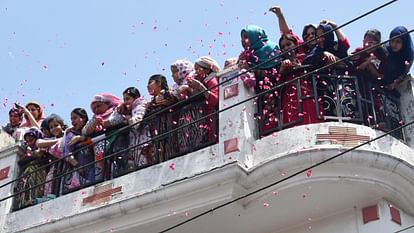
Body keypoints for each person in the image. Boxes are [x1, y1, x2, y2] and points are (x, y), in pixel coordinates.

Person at [239, 25, 281, 135]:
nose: (243, 41)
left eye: (246, 37)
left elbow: (274, 72)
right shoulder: (246, 55)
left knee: (272, 123)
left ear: (255, 36)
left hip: (274, 91)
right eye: (242, 38)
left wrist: (253, 69)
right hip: (258, 96)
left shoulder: (270, 48)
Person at [82, 93, 125, 180]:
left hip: (116, 143)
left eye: (99, 106)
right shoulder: (95, 117)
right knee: (100, 172)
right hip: (99, 149)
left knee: (115, 167)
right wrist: (93, 125)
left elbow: (119, 119)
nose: (97, 109)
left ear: (107, 104)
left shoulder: (115, 111)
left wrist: (104, 123)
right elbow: (84, 131)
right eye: (94, 108)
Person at [61, 108, 94, 192]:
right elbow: (67, 154)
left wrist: (81, 138)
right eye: (71, 119)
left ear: (83, 118)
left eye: (75, 118)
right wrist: (78, 166)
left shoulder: (89, 129)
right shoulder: (70, 134)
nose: (72, 122)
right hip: (81, 169)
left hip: (93, 166)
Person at [145, 74, 177, 162]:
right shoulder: (152, 100)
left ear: (158, 83)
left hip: (168, 128)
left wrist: (153, 103)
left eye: (150, 83)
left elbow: (170, 99)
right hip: (157, 133)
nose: (147, 86)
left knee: (168, 154)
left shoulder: (167, 93)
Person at [13, 128, 47, 210]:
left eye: (31, 140)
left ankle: (33, 200)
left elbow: (41, 154)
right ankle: (24, 202)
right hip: (29, 176)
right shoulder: (30, 151)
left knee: (35, 187)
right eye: (27, 142)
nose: (29, 143)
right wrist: (32, 154)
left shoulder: (43, 147)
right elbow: (21, 162)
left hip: (39, 173)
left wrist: (32, 154)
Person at [382, 26, 414, 90]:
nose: (394, 44)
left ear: (404, 43)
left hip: (397, 81)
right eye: (392, 41)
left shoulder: (408, 54)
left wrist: (395, 83)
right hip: (382, 77)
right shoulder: (386, 48)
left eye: (398, 42)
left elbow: (405, 72)